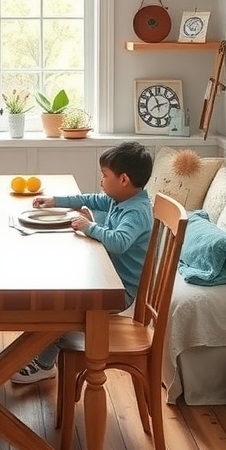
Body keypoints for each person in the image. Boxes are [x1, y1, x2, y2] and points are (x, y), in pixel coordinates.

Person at [11, 140, 153, 384]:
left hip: (118, 291)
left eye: (104, 175)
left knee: (63, 308)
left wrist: (90, 227)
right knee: (55, 289)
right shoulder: (120, 199)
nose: (101, 181)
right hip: (105, 276)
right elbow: (91, 198)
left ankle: (44, 363)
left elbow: (119, 241)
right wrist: (56, 200)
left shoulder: (136, 212)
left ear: (123, 180)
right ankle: (34, 347)